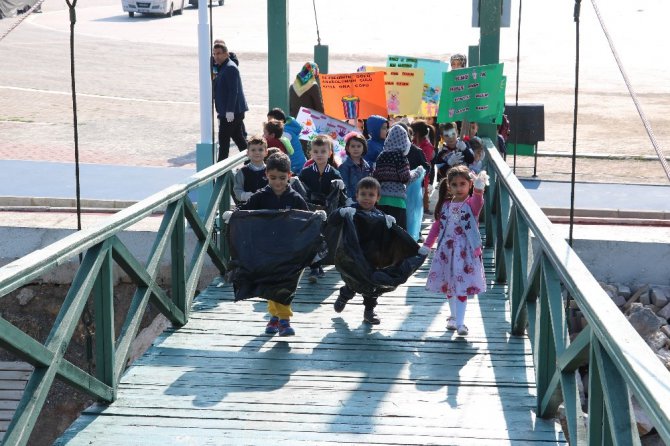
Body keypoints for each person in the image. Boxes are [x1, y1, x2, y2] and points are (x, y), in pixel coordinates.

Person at [223, 152, 325, 337]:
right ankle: (274, 316)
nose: (278, 182)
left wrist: (317, 217)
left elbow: (306, 216)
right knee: (271, 281)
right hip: (267, 248)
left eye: (282, 178)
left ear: (290, 176)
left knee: (287, 282)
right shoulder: (261, 196)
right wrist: (233, 216)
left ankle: (284, 320)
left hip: (289, 249)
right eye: (273, 178)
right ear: (266, 176)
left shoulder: (294, 197)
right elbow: (245, 210)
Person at [419, 166, 489, 336]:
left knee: (462, 286)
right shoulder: (445, 205)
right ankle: (453, 316)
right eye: (455, 185)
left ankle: (460, 323)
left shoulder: (471, 203)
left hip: (465, 252)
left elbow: (478, 202)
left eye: (463, 184)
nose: (459, 188)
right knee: (449, 285)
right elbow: (437, 226)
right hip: (446, 251)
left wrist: (479, 189)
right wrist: (428, 244)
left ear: (469, 185)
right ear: (449, 186)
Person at [329, 177, 396, 325]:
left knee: (372, 287)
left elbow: (388, 240)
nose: (367, 198)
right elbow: (331, 220)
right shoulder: (351, 211)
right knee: (353, 283)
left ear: (378, 197)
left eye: (371, 195)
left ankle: (369, 312)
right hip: (352, 257)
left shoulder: (380, 216)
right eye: (363, 194)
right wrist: (341, 212)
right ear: (357, 195)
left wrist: (390, 224)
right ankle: (344, 296)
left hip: (372, 258)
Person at [298, 135, 345, 282]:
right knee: (313, 236)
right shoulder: (305, 172)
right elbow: (301, 189)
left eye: (323, 151)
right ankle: (314, 268)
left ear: (330, 153)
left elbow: (340, 192)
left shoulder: (334, 173)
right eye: (316, 151)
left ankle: (317, 265)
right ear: (310, 153)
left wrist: (340, 185)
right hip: (311, 210)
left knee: (324, 236)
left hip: (327, 210)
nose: (319, 155)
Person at [372, 124, 424, 230]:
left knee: (383, 232)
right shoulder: (400, 157)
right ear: (405, 142)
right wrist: (418, 172)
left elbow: (376, 177)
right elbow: (406, 179)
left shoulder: (381, 156)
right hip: (397, 201)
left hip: (381, 200)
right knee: (397, 234)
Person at [213, 42, 248, 161]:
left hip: (231, 113)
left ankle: (220, 172)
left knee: (224, 142)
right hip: (230, 112)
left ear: (226, 54)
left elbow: (234, 91)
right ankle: (251, 162)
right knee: (239, 139)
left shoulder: (230, 68)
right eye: (214, 54)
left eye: (219, 53)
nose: (216, 56)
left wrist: (229, 111)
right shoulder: (222, 66)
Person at [266, 107, 307, 174]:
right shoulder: (290, 128)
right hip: (301, 163)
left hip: (295, 167)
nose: (269, 124)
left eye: (271, 121)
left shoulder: (284, 133)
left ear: (280, 122)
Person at [409, 120, 435, 213]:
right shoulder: (414, 143)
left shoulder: (427, 146)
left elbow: (425, 163)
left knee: (419, 202)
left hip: (421, 179)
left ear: (417, 133)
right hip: (414, 178)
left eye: (412, 132)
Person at [232, 135, 268, 203]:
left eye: (260, 149)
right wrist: (253, 196)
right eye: (253, 150)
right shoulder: (242, 172)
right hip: (247, 209)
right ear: (248, 153)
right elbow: (237, 192)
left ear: (266, 152)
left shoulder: (270, 171)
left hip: (267, 208)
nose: (257, 152)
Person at [339, 132, 372, 201]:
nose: (356, 149)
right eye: (353, 146)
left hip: (366, 200)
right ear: (348, 148)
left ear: (364, 147)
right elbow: (345, 187)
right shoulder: (344, 166)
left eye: (359, 146)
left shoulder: (367, 166)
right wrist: (350, 200)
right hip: (351, 202)